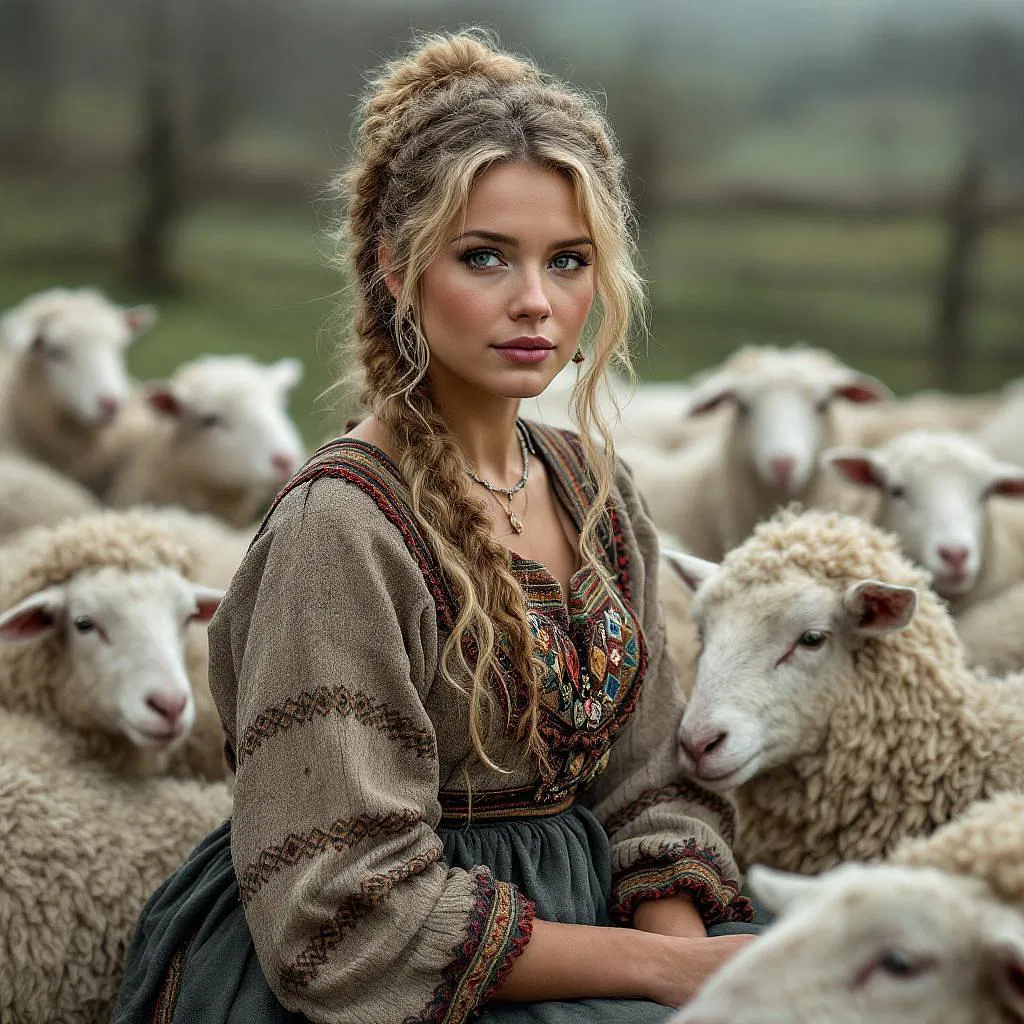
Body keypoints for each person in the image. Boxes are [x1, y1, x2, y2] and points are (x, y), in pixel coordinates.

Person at [113, 30, 760, 1024]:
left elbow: (647, 783)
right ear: (397, 267)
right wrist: (655, 977)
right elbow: (343, 912)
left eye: (569, 260)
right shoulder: (341, 531)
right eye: (485, 257)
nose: (536, 302)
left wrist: (686, 963)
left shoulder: (594, 489)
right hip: (394, 975)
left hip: (603, 937)